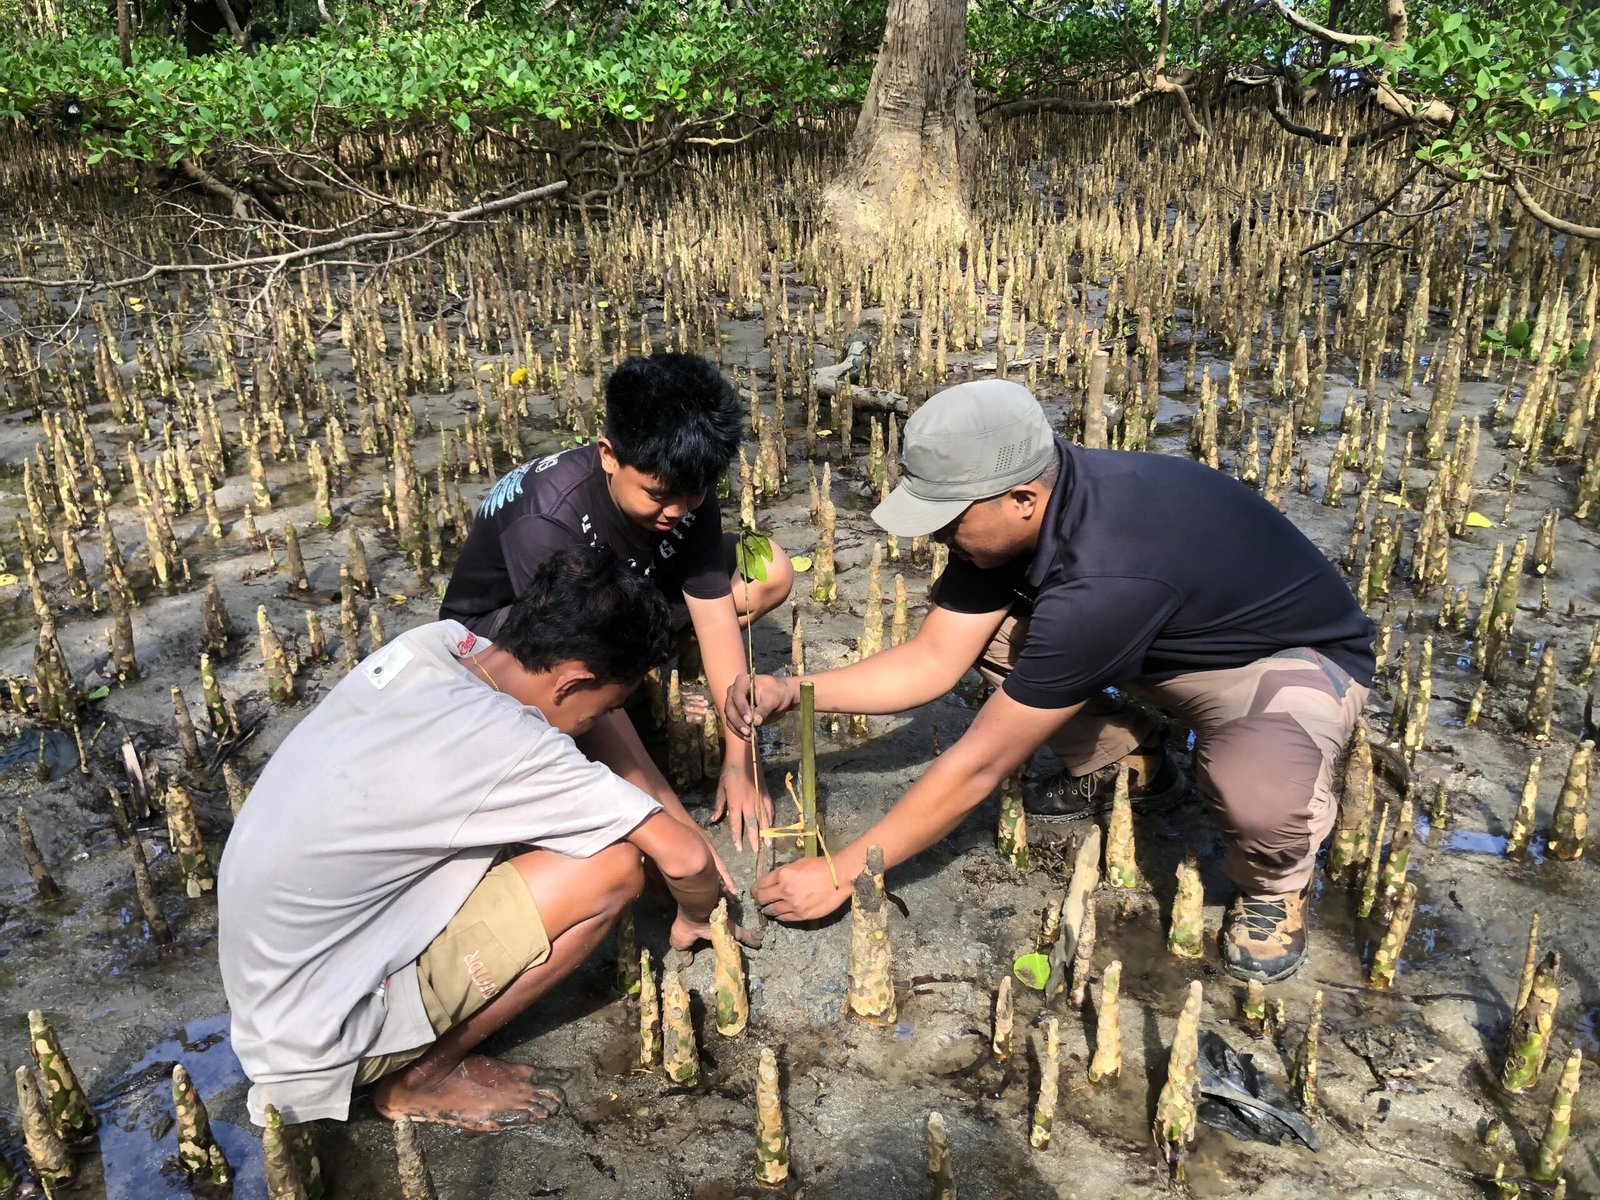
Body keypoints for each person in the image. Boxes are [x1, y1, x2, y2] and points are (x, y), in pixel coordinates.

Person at [732, 381, 1374, 983]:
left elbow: (982, 764)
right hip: (1160, 639)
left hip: (1281, 664)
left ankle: (1275, 886)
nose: (938, 535)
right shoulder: (1011, 517)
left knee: (1257, 796)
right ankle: (1136, 760)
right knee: (1001, 636)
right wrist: (796, 690)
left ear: (1022, 501)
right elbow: (933, 660)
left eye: (949, 518)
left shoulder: (1103, 574)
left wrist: (847, 872)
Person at [219, 549, 730, 1130]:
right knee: (613, 867)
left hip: (270, 991)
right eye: (603, 710)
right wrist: (696, 914)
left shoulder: (437, 646)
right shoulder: (509, 745)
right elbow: (685, 856)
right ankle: (420, 1077)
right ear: (573, 682)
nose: (596, 726)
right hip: (324, 1036)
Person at [441, 352, 793, 852]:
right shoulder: (548, 520)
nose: (677, 511)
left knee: (771, 570)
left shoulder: (684, 487)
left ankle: (659, 676)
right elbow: (582, 661)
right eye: (658, 495)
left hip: (623, 588)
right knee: (583, 695)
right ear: (609, 454)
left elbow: (715, 616)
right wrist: (677, 828)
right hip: (507, 630)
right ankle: (638, 684)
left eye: (693, 496)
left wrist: (743, 760)